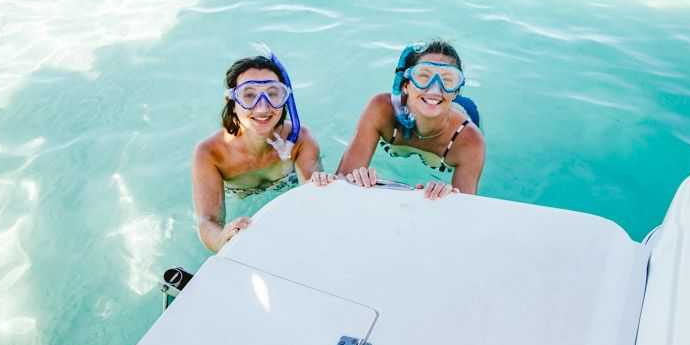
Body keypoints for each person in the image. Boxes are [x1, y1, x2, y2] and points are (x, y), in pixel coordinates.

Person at [192, 51, 322, 252]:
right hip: (241, 204)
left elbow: (314, 202)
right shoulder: (209, 153)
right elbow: (207, 221)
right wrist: (222, 238)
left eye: (272, 94)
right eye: (249, 95)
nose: (263, 107)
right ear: (232, 102)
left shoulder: (300, 139)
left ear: (285, 99)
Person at [334, 40, 485, 199]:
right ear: (405, 85)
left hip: (462, 113)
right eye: (423, 77)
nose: (435, 89)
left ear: (455, 92)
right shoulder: (381, 109)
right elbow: (342, 181)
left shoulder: (470, 141)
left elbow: (465, 211)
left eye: (447, 80)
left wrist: (448, 198)